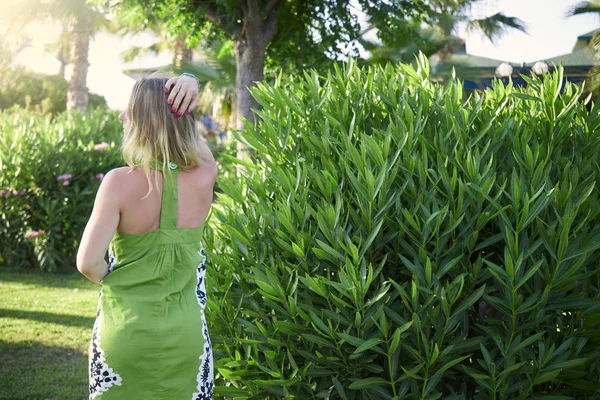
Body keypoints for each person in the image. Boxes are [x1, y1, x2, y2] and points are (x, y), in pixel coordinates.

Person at [76, 74, 218, 399]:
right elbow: (197, 148)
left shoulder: (118, 182)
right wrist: (186, 88)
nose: (122, 116)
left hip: (124, 332)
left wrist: (123, 281)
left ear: (146, 119)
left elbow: (88, 262)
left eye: (130, 110)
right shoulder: (205, 176)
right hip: (187, 338)